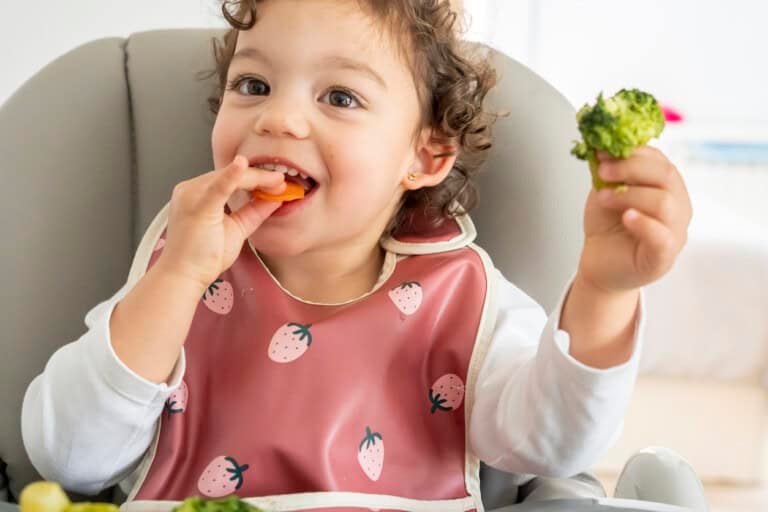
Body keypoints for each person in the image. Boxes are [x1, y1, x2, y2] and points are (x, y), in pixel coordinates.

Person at [21, 0, 693, 510]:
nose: (277, 119)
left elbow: (547, 446)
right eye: (253, 85)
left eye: (340, 97)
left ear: (424, 156)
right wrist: (177, 278)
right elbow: (71, 458)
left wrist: (604, 292)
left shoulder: (459, 297)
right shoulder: (181, 272)